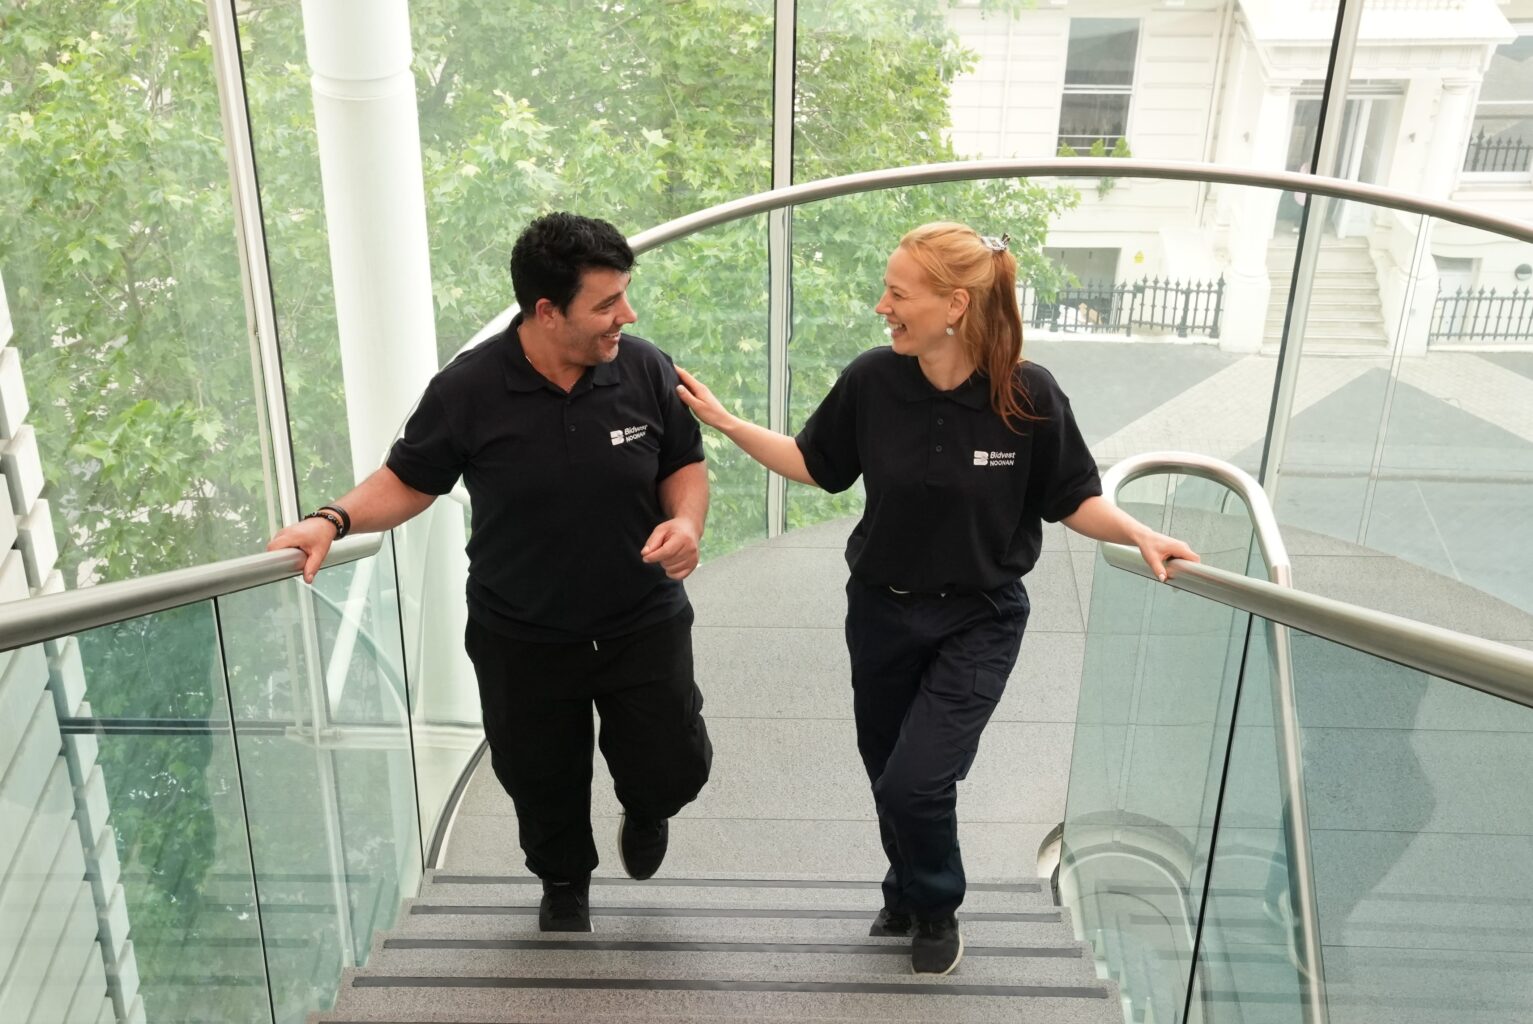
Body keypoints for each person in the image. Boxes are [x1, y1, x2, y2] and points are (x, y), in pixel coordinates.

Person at [674, 221, 1198, 975]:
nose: (881, 305)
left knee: (918, 778)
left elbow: (1071, 497)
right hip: (880, 611)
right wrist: (726, 423)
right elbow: (817, 465)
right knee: (886, 770)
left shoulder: (1028, 393)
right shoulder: (872, 380)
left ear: (954, 304)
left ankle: (935, 907)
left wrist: (1136, 532)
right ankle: (906, 888)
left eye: (897, 292)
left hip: (978, 618)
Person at [268, 212, 713, 933]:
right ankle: (564, 881)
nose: (624, 316)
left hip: (641, 618)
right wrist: (331, 519)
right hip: (522, 633)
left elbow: (683, 465)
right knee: (540, 780)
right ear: (546, 311)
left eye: (624, 297)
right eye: (605, 304)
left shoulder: (643, 367)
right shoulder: (468, 390)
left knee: (673, 766)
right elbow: (409, 479)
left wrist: (686, 522)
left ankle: (649, 802)